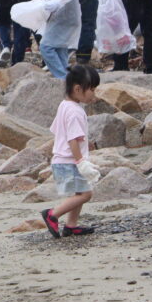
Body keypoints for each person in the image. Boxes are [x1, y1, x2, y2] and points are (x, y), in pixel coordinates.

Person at [40, 65, 101, 239]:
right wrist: (81, 161)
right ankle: (53, 214)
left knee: (79, 192)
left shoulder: (65, 105)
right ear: (77, 89)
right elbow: (72, 139)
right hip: (69, 161)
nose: (94, 95)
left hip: (62, 159)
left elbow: (59, 131)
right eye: (92, 90)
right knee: (85, 194)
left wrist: (84, 146)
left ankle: (71, 225)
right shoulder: (75, 112)